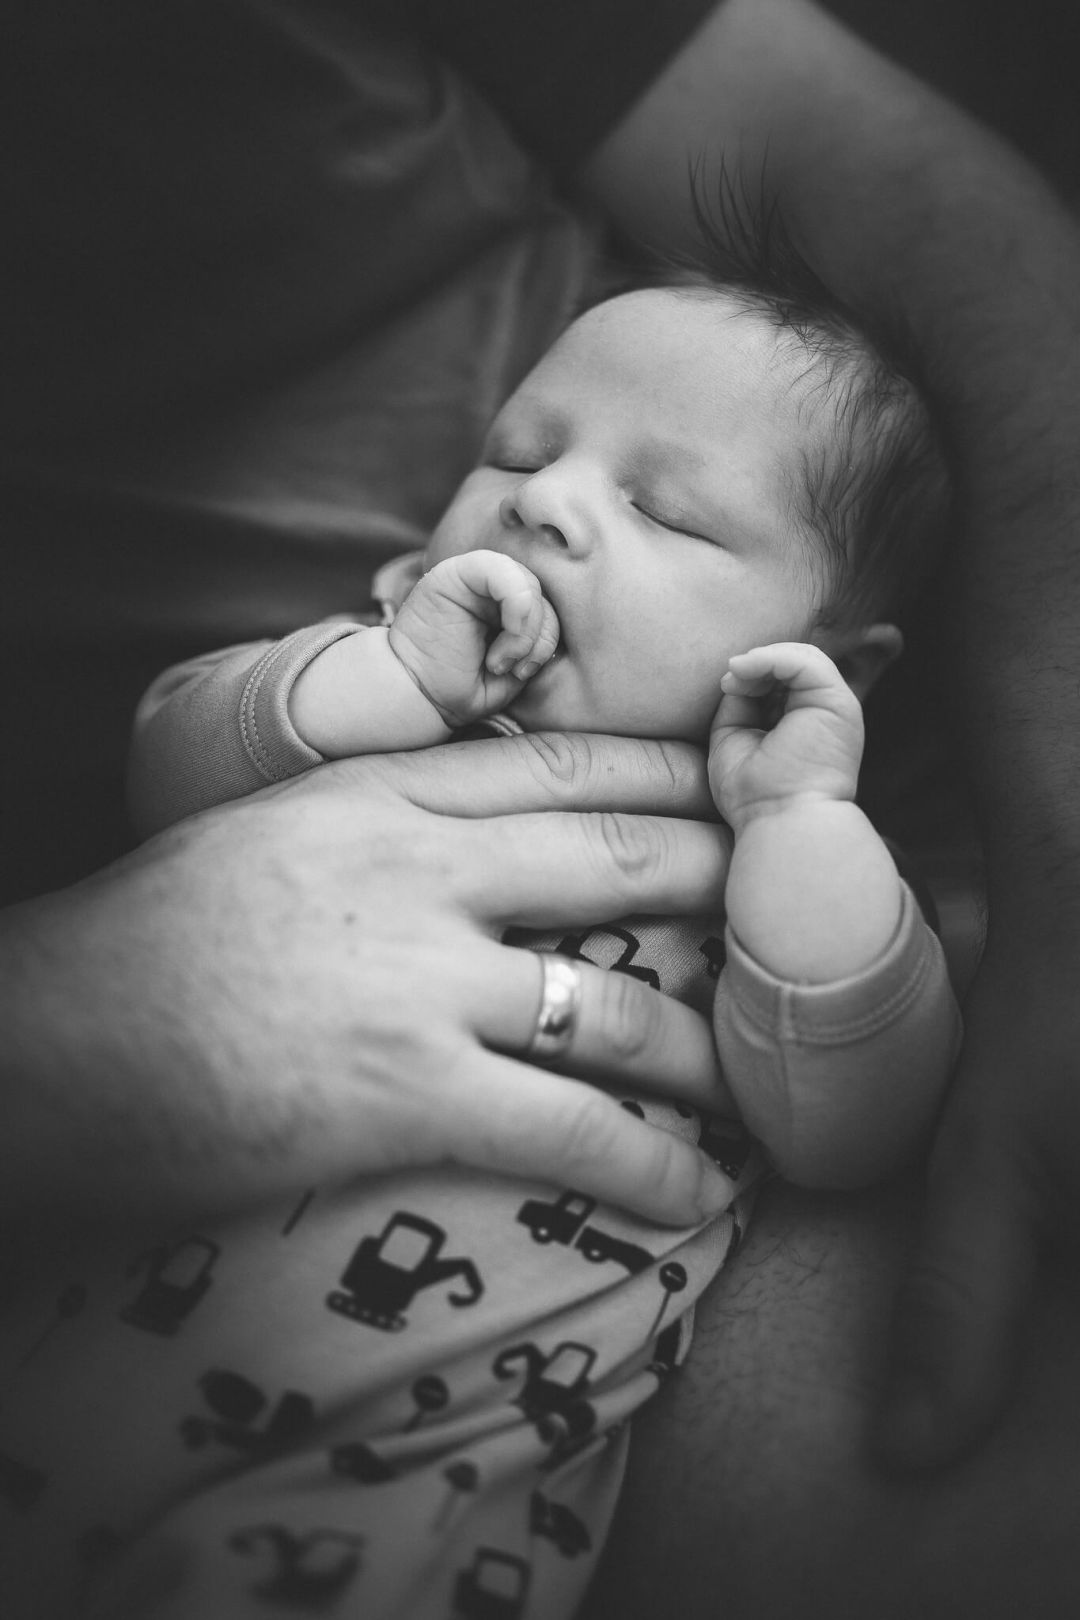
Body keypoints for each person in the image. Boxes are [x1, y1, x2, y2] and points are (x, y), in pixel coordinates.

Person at [2, 4, 1080, 1608]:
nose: (548, 501)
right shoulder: (375, 696)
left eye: (663, 510)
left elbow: (849, 1130)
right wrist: (378, 682)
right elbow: (176, 764)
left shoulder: (799, 863)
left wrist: (805, 844)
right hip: (93, 1328)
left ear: (826, 661)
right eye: (519, 452)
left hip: (439, 1483)